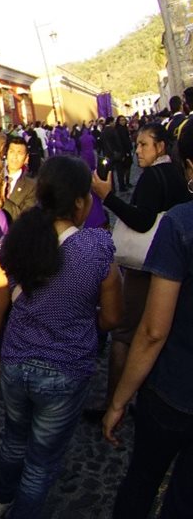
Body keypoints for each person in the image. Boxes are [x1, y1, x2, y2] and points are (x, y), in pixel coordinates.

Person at [0, 155, 123, 518]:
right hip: (65, 369)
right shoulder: (96, 248)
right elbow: (111, 318)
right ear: (79, 201)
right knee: (41, 462)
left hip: (15, 362)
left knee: (13, 440)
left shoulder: (13, 242)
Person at [102, 119, 193, 517]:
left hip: (175, 386)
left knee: (142, 480)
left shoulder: (181, 224)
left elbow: (154, 331)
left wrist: (119, 400)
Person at [91, 121, 191, 417]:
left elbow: (143, 221)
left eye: (144, 145)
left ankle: (114, 400)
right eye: (136, 145)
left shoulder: (151, 178)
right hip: (173, 265)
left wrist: (108, 197)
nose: (137, 151)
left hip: (145, 264)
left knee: (124, 333)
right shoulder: (176, 172)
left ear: (160, 146)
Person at [2, 136, 37, 221]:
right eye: (12, 152)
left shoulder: (31, 186)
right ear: (6, 154)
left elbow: (25, 219)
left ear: (26, 158)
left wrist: (2, 199)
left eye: (19, 153)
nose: (15, 157)